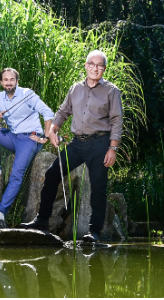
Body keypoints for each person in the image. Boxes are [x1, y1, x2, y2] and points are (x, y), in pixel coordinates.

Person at [20, 50, 123, 244]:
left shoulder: (111, 91)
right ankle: (42, 221)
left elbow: (117, 121)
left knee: (98, 187)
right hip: (77, 144)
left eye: (99, 65)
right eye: (91, 64)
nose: (95, 68)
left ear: (104, 69)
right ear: (86, 65)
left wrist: (113, 148)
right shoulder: (76, 88)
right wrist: (53, 130)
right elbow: (63, 111)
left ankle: (94, 232)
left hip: (99, 143)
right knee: (52, 174)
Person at [0, 68, 54, 220]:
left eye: (12, 80)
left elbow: (48, 112)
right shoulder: (0, 97)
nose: (9, 83)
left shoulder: (27, 94)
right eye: (6, 80)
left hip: (29, 139)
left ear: (17, 81)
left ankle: (0, 211)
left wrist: (45, 135)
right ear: (1, 82)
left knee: (16, 175)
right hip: (13, 137)